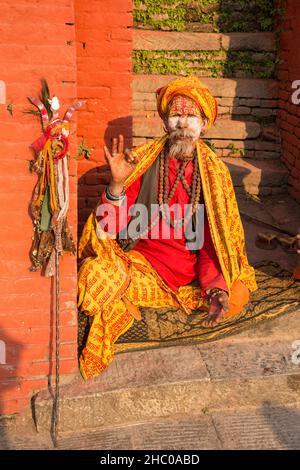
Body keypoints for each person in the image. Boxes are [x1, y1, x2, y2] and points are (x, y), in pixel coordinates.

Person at [78, 76, 257, 380]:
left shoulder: (215, 175)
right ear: (164, 122)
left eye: (191, 117)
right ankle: (125, 297)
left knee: (236, 295)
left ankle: (129, 300)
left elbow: (217, 244)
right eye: (175, 115)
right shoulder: (144, 162)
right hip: (140, 264)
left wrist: (215, 288)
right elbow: (109, 230)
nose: (182, 124)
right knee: (95, 276)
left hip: (188, 274)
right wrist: (118, 183)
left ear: (203, 125)